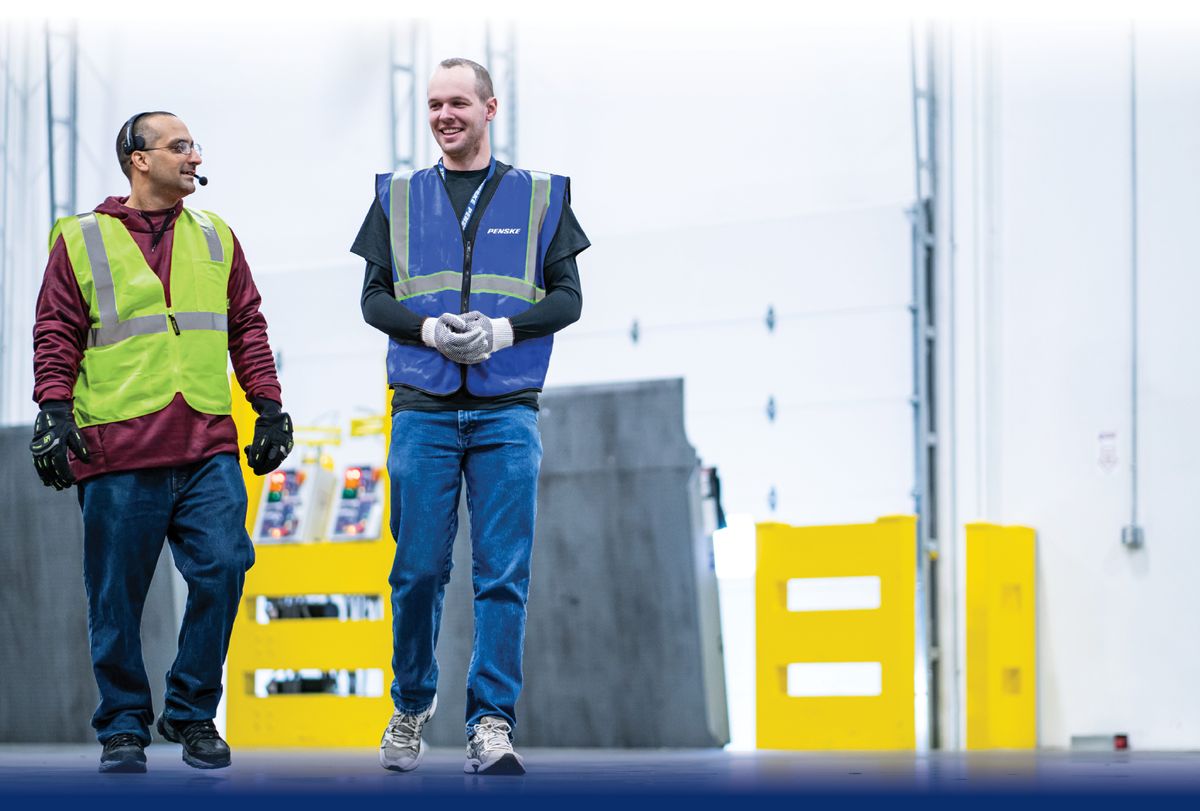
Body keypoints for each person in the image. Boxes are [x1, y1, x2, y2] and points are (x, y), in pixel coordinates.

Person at [30, 111, 294, 774]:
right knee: (115, 597)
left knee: (226, 565)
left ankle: (190, 709)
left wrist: (269, 408)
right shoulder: (82, 238)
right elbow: (57, 330)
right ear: (138, 159)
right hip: (117, 450)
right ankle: (123, 724)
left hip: (205, 442)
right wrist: (53, 412)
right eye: (178, 146)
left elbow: (248, 329)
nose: (192, 155)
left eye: (194, 145)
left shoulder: (216, 236)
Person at [352, 58, 589, 775]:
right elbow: (373, 299)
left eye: (457, 101)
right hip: (422, 411)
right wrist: (427, 332)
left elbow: (568, 296)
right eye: (433, 104)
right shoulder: (396, 197)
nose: (444, 115)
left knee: (503, 573)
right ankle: (411, 704)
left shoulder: (543, 195)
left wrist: (503, 331)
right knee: (417, 570)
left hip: (506, 411)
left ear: (490, 108)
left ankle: (491, 722)